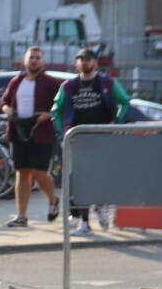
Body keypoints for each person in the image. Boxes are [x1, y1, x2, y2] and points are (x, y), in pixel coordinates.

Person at [50, 47, 130, 233]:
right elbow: (56, 109)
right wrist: (63, 133)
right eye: (81, 59)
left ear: (95, 62)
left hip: (103, 137)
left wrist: (116, 123)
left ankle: (102, 206)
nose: (84, 62)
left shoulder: (107, 83)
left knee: (103, 176)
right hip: (78, 138)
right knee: (80, 181)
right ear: (77, 63)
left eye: (88, 59)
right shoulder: (69, 86)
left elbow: (125, 101)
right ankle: (84, 222)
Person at [0, 46, 63, 227]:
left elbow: (61, 104)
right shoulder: (17, 80)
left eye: (37, 57)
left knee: (39, 172)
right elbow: (3, 101)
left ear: (43, 61)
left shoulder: (50, 82)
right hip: (19, 129)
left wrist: (48, 114)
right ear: (25, 61)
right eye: (31, 57)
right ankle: (21, 216)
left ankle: (52, 199)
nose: (34, 60)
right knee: (22, 172)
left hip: (41, 130)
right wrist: (7, 109)